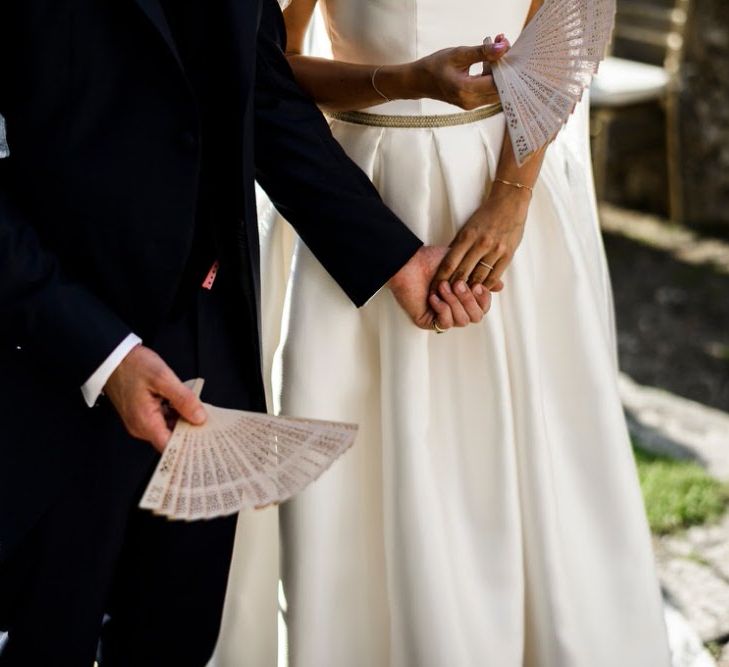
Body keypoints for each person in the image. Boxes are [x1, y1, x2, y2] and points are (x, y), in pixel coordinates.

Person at [0, 1, 490, 665]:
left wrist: (393, 258)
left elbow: (256, 89)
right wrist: (102, 354)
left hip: (211, 344)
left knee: (176, 634)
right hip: (48, 357)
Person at [239, 0, 672, 664]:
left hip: (495, 178)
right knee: (356, 445)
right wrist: (402, 80)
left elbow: (567, 31)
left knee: (513, 437)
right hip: (356, 195)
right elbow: (272, 71)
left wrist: (510, 196)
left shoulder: (507, 194)